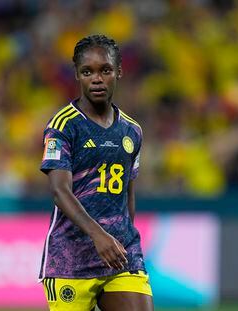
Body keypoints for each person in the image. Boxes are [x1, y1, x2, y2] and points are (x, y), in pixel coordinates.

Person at [39, 34, 153, 311]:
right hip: (70, 258)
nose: (97, 78)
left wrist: (122, 236)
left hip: (119, 256)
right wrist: (98, 235)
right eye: (87, 71)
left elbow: (128, 191)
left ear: (119, 72)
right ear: (77, 75)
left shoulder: (132, 130)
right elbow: (59, 190)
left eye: (105, 70)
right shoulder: (63, 125)